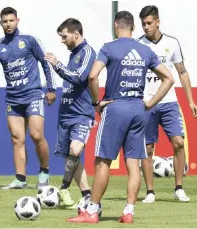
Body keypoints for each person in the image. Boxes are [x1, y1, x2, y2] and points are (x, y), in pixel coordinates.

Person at [66, 11, 174, 224]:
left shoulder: (109, 47)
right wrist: (150, 103)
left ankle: (93, 211)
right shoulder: (145, 50)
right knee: (133, 163)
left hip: (115, 107)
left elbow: (93, 76)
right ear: (133, 28)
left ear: (116, 26)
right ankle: (128, 212)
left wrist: (97, 103)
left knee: (102, 161)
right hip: (138, 109)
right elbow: (169, 78)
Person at [0, 7, 56, 189]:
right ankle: (20, 178)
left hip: (33, 95)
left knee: (36, 134)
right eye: (5, 21)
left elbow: (46, 62)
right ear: (0, 23)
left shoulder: (29, 40)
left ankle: (44, 172)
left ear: (18, 20)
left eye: (11, 20)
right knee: (17, 138)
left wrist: (51, 88)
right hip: (13, 99)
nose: (8, 24)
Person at [137, 5, 195, 203]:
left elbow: (182, 72)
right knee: (148, 148)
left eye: (149, 23)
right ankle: (150, 191)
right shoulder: (139, 45)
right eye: (143, 24)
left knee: (178, 142)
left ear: (158, 22)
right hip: (146, 104)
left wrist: (190, 100)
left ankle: (178, 188)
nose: (146, 27)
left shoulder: (172, 43)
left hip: (169, 102)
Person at [44, 18, 96, 208]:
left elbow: (79, 77)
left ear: (76, 34)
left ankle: (64, 187)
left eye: (64, 36)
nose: (62, 40)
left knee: (75, 150)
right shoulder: (73, 53)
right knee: (72, 158)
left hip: (82, 113)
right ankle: (86, 195)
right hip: (65, 113)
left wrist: (57, 65)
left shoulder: (88, 52)